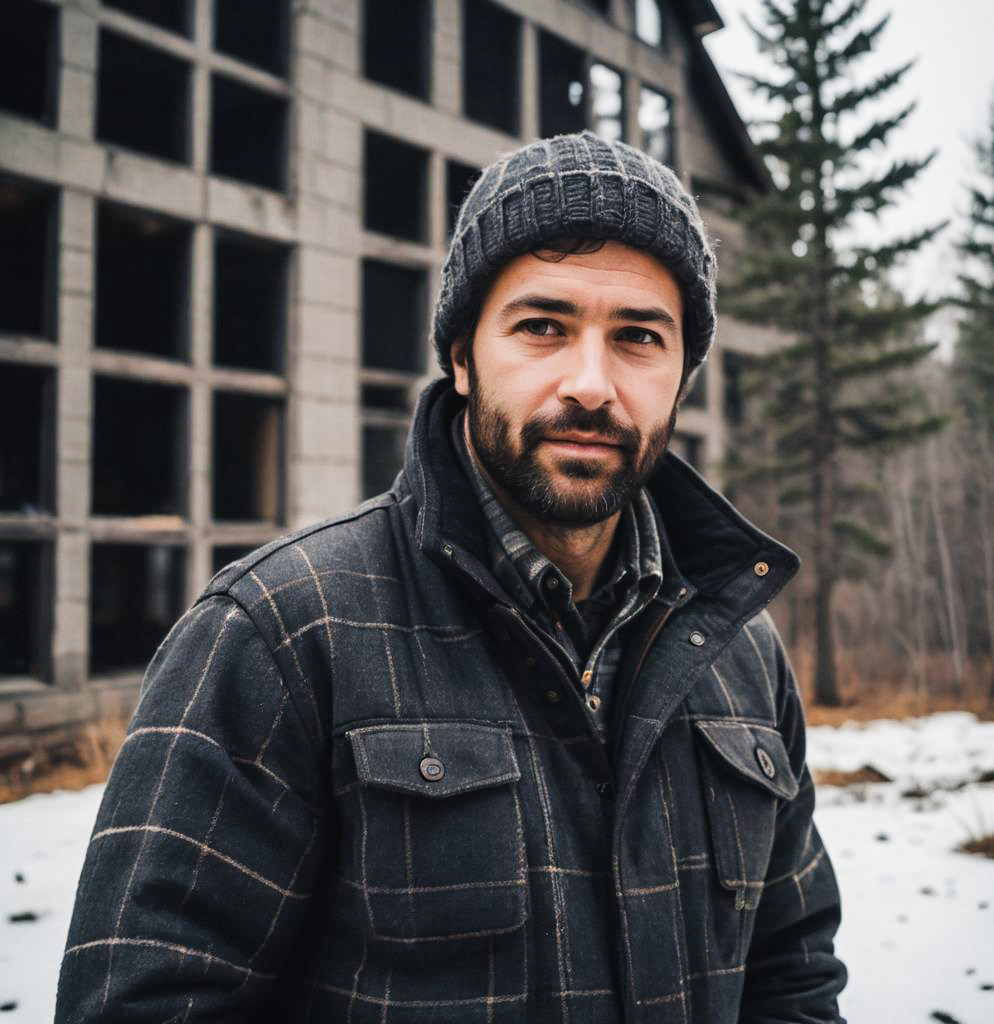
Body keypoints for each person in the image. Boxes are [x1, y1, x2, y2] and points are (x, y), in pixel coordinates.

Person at [56, 131, 847, 1023]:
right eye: (543, 326)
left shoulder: (738, 645)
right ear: (462, 356)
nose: (591, 383)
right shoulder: (279, 630)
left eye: (638, 338)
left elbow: (793, 975)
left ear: (680, 377)